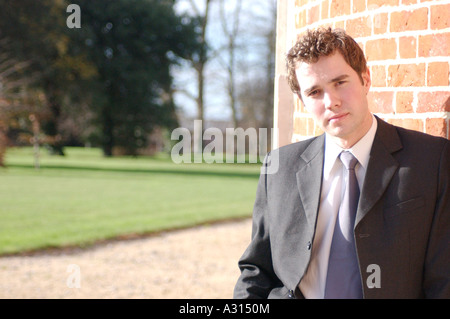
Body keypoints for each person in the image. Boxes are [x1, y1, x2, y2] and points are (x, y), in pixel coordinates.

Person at [233, 27, 450, 299]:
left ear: (365, 79)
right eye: (314, 92)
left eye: (340, 82)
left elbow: (444, 280)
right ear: (302, 101)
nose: (331, 101)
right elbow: (257, 270)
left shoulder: (432, 160)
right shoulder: (279, 167)